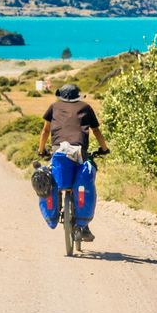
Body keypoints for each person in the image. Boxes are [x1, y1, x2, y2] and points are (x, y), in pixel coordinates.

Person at [38, 83, 109, 242]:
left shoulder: (54, 107)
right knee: (83, 180)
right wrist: (104, 148)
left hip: (58, 151)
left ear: (60, 96)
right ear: (78, 95)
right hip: (79, 150)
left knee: (54, 180)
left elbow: (45, 131)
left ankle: (55, 208)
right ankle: (84, 226)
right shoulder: (86, 107)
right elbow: (96, 131)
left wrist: (41, 150)